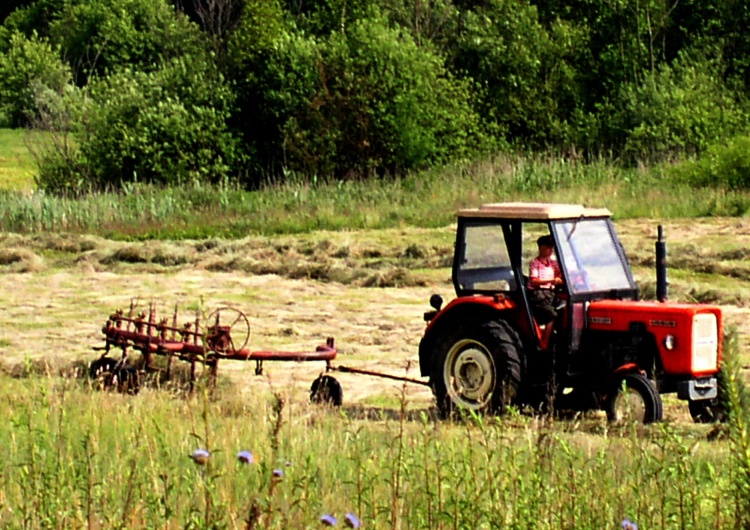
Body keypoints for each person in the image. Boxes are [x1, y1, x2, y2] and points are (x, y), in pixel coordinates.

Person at [527, 235, 563, 325]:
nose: (551, 250)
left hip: (550, 293)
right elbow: (534, 282)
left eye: (552, 248)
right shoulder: (535, 263)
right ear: (542, 248)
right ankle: (546, 339)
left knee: (566, 306)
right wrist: (551, 281)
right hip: (537, 294)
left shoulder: (552, 262)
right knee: (550, 315)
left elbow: (560, 273)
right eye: (549, 248)